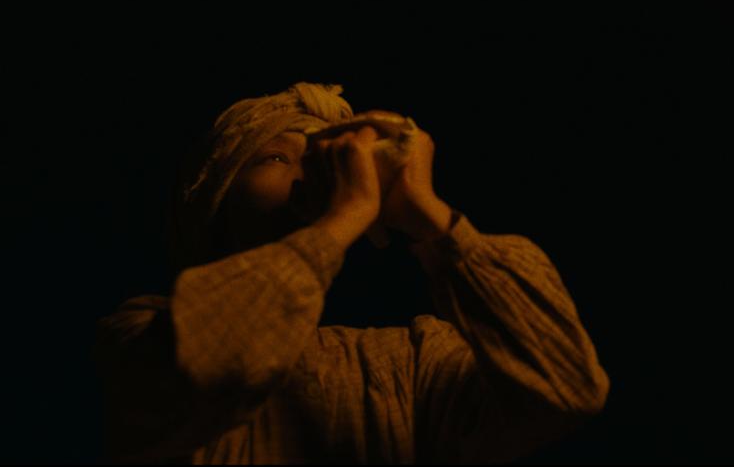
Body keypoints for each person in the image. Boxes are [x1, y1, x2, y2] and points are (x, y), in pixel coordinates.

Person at [93, 82, 610, 464]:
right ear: (217, 198)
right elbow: (211, 363)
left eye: (322, 160)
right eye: (277, 157)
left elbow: (565, 390)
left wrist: (429, 216)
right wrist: (342, 219)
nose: (311, 176)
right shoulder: (142, 330)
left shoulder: (411, 363)